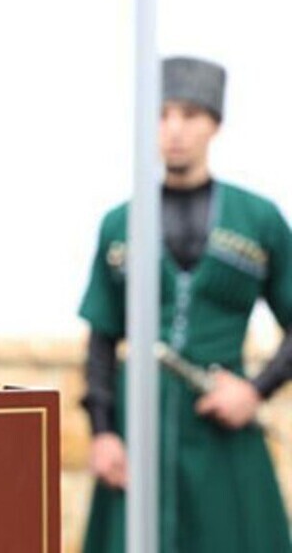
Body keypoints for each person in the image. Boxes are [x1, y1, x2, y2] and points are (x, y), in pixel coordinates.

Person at [79, 56, 292, 553]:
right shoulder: (120, 224)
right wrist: (103, 433)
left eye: (189, 115)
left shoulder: (258, 219)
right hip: (138, 427)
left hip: (222, 431)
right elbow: (102, 337)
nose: (174, 129)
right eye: (162, 115)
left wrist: (255, 391)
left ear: (213, 123)